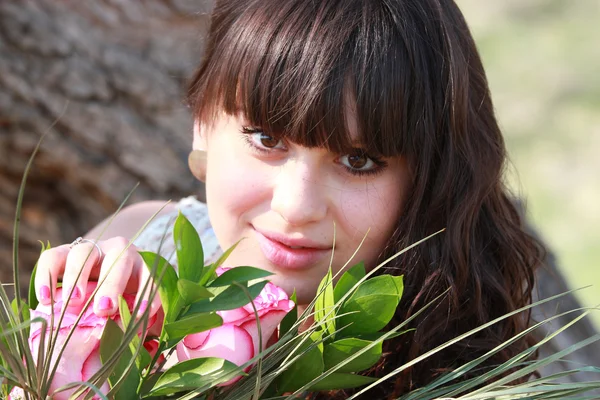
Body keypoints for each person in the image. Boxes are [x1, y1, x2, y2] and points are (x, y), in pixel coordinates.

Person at [33, 0, 545, 397]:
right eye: (266, 139)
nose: (296, 207)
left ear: (429, 177)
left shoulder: (449, 357)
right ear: (202, 124)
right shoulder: (142, 244)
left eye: (358, 161)